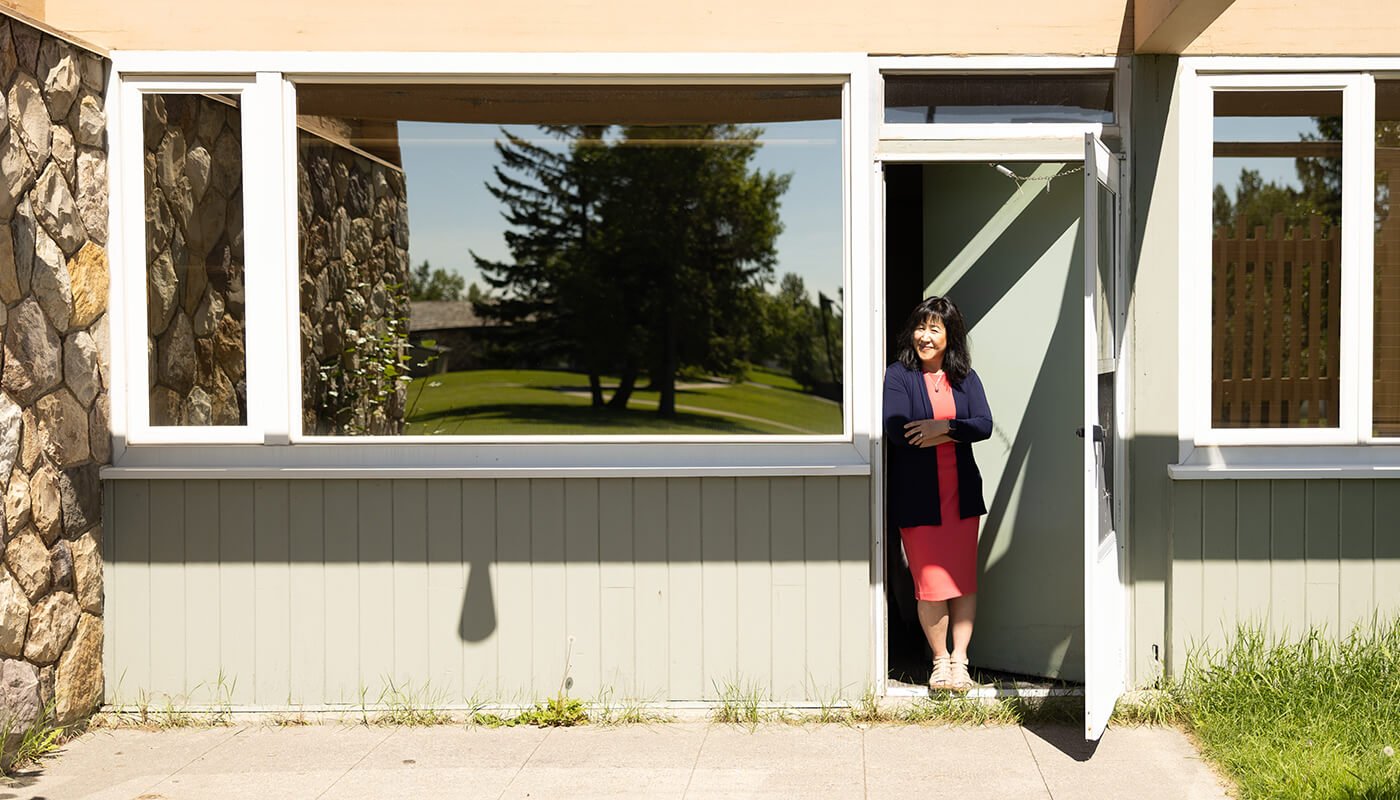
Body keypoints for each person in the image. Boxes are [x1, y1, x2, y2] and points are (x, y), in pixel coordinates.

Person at [883, 296, 992, 691]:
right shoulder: (898, 376)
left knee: (961, 580)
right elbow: (899, 431)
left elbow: (983, 425)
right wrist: (949, 428)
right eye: (920, 327)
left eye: (934, 329)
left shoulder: (965, 378)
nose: (924, 337)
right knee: (929, 583)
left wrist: (940, 429)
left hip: (961, 495)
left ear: (950, 337)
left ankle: (961, 661)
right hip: (918, 498)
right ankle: (939, 661)